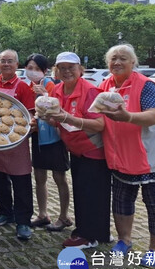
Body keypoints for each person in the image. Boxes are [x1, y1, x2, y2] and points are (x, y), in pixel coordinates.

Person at [100, 44, 155, 267]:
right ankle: (124, 240)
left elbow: (154, 117)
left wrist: (127, 117)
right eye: (113, 58)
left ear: (133, 62)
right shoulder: (105, 85)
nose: (117, 62)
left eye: (123, 58)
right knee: (122, 202)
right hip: (121, 158)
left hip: (152, 158)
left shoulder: (146, 85)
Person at [44, 51, 111, 249]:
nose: (66, 71)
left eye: (71, 67)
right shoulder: (56, 91)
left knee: (91, 194)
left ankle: (87, 236)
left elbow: (99, 124)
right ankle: (99, 233)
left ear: (80, 69)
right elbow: (57, 121)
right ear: (56, 71)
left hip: (93, 150)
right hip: (75, 149)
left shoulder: (90, 91)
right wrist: (47, 119)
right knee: (83, 192)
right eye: (61, 68)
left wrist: (66, 118)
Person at [0, 49, 35, 240]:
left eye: (10, 61)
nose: (6, 64)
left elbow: (31, 114)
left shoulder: (24, 87)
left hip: (16, 142)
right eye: (3, 61)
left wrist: (33, 124)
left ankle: (24, 222)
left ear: (17, 65)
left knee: (21, 183)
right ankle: (6, 212)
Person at [25, 54, 72, 231]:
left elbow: (58, 107)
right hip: (38, 137)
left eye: (37, 69)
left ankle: (64, 216)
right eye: (30, 68)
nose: (33, 72)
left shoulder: (51, 85)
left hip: (54, 137)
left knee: (59, 177)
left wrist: (44, 94)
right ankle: (43, 214)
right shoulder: (29, 86)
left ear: (45, 71)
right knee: (39, 177)